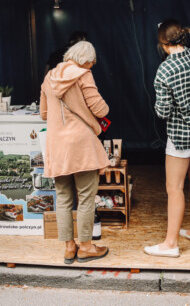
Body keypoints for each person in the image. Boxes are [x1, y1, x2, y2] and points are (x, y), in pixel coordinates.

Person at [145, 19, 190, 258]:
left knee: (174, 188)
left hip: (180, 134)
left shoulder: (165, 70)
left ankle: (170, 243)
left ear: (163, 43)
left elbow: (162, 112)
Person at [40, 41, 110, 264]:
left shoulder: (49, 77)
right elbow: (101, 109)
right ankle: (87, 247)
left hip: (57, 145)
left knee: (62, 198)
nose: (93, 66)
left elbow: (43, 113)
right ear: (85, 60)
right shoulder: (83, 75)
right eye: (92, 62)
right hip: (81, 144)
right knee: (86, 198)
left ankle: (69, 248)